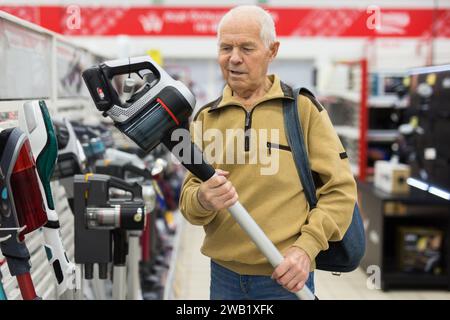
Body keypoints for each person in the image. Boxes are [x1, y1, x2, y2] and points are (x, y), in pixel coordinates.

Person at [179, 5, 357, 300]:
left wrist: (306, 248)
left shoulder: (301, 110)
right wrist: (203, 199)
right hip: (223, 278)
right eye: (226, 47)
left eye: (247, 48)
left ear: (272, 51)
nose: (234, 58)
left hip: (286, 277)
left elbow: (340, 190)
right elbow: (189, 202)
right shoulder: (205, 118)